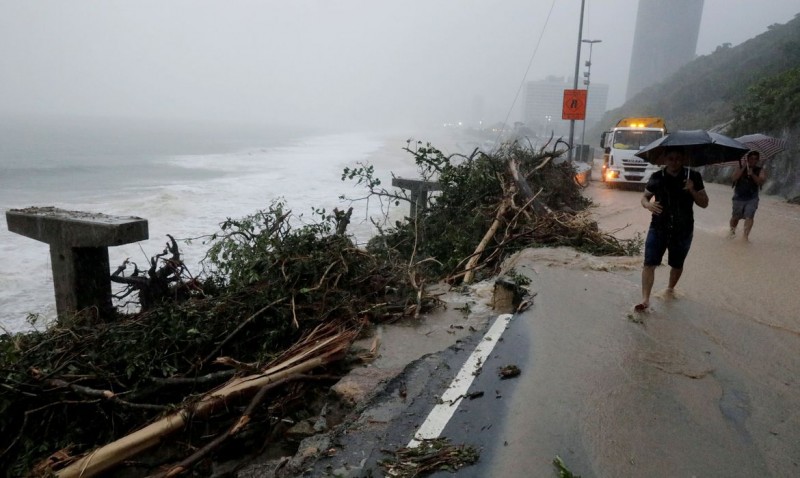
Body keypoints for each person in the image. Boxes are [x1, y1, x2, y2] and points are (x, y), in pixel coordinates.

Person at [635, 146, 709, 312]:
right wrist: (648, 205)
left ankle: (669, 289)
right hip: (658, 226)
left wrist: (692, 189)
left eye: (677, 158)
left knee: (677, 264)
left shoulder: (694, 177)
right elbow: (644, 197)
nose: (674, 162)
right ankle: (645, 299)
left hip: (683, 229)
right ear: (664, 160)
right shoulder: (657, 176)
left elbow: (704, 203)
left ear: (683, 159)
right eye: (671, 158)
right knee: (649, 263)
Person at [729, 150, 766, 241]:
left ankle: (745, 237)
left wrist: (752, 174)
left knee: (750, 216)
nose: (753, 161)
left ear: (757, 160)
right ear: (747, 159)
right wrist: (744, 168)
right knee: (735, 217)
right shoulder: (740, 167)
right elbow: (733, 178)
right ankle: (732, 232)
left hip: (752, 198)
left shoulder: (760, 170)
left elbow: (760, 181)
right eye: (751, 158)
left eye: (755, 159)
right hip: (738, 197)